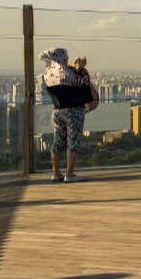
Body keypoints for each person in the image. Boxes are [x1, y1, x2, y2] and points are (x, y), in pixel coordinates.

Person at [38, 47, 95, 183]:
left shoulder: (47, 73)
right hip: (73, 111)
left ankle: (56, 173)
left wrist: (74, 67)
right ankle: (69, 174)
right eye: (65, 58)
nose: (67, 59)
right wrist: (81, 68)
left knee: (58, 142)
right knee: (72, 142)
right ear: (60, 58)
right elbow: (84, 82)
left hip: (57, 111)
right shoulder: (66, 72)